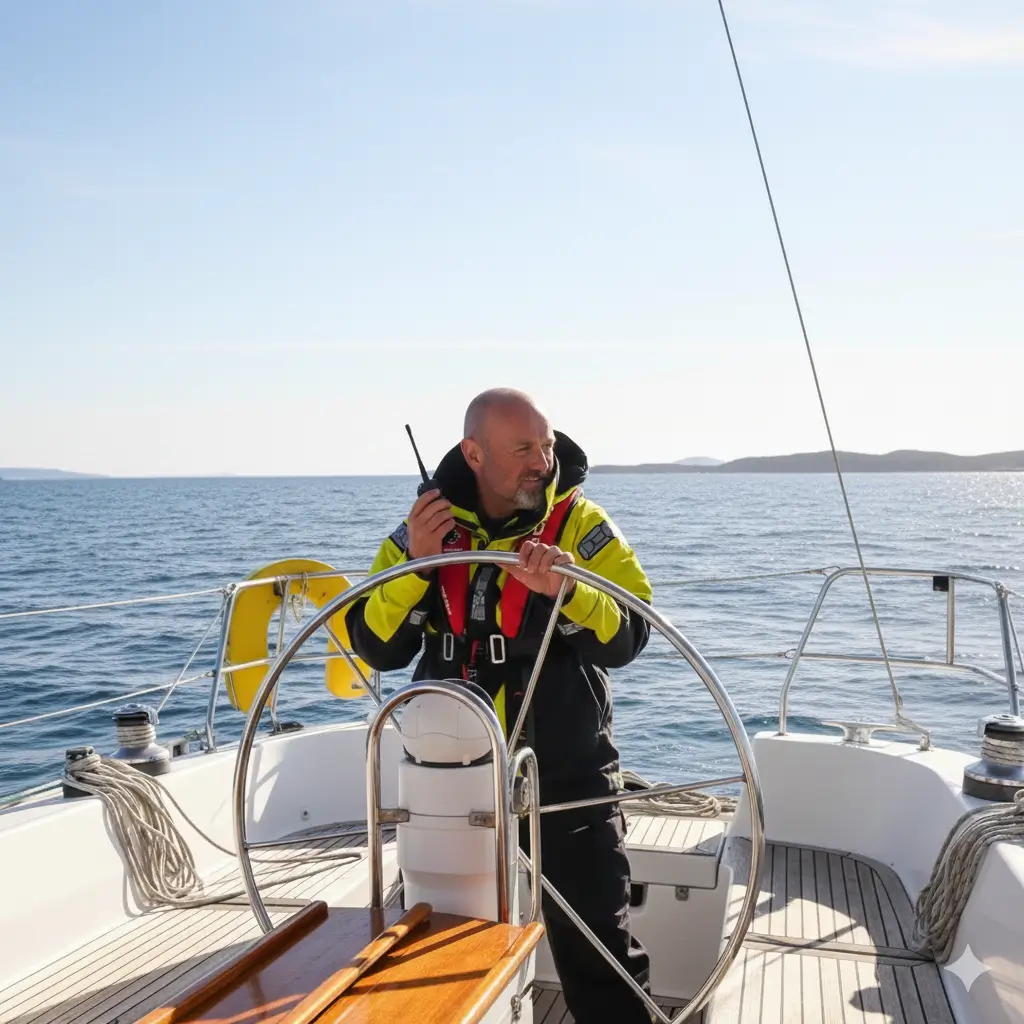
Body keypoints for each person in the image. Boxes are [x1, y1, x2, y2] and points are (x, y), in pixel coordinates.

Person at [345, 388, 655, 1023]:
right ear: (474, 453)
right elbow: (373, 645)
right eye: (523, 450)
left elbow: (631, 633)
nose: (541, 461)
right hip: (457, 785)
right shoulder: (425, 527)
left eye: (545, 445)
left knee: (601, 951)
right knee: (443, 946)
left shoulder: (581, 524)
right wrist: (417, 567)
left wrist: (569, 589)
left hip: (567, 774)